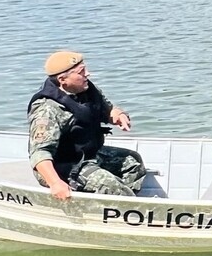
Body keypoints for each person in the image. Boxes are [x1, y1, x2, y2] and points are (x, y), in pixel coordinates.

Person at [28, 50, 145, 200]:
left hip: (88, 154)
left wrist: (118, 115)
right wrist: (55, 183)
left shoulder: (86, 89)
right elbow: (39, 153)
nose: (88, 74)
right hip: (64, 166)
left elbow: (107, 109)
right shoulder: (47, 110)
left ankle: (119, 203)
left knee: (133, 162)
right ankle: (124, 205)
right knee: (109, 185)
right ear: (63, 79)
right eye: (81, 72)